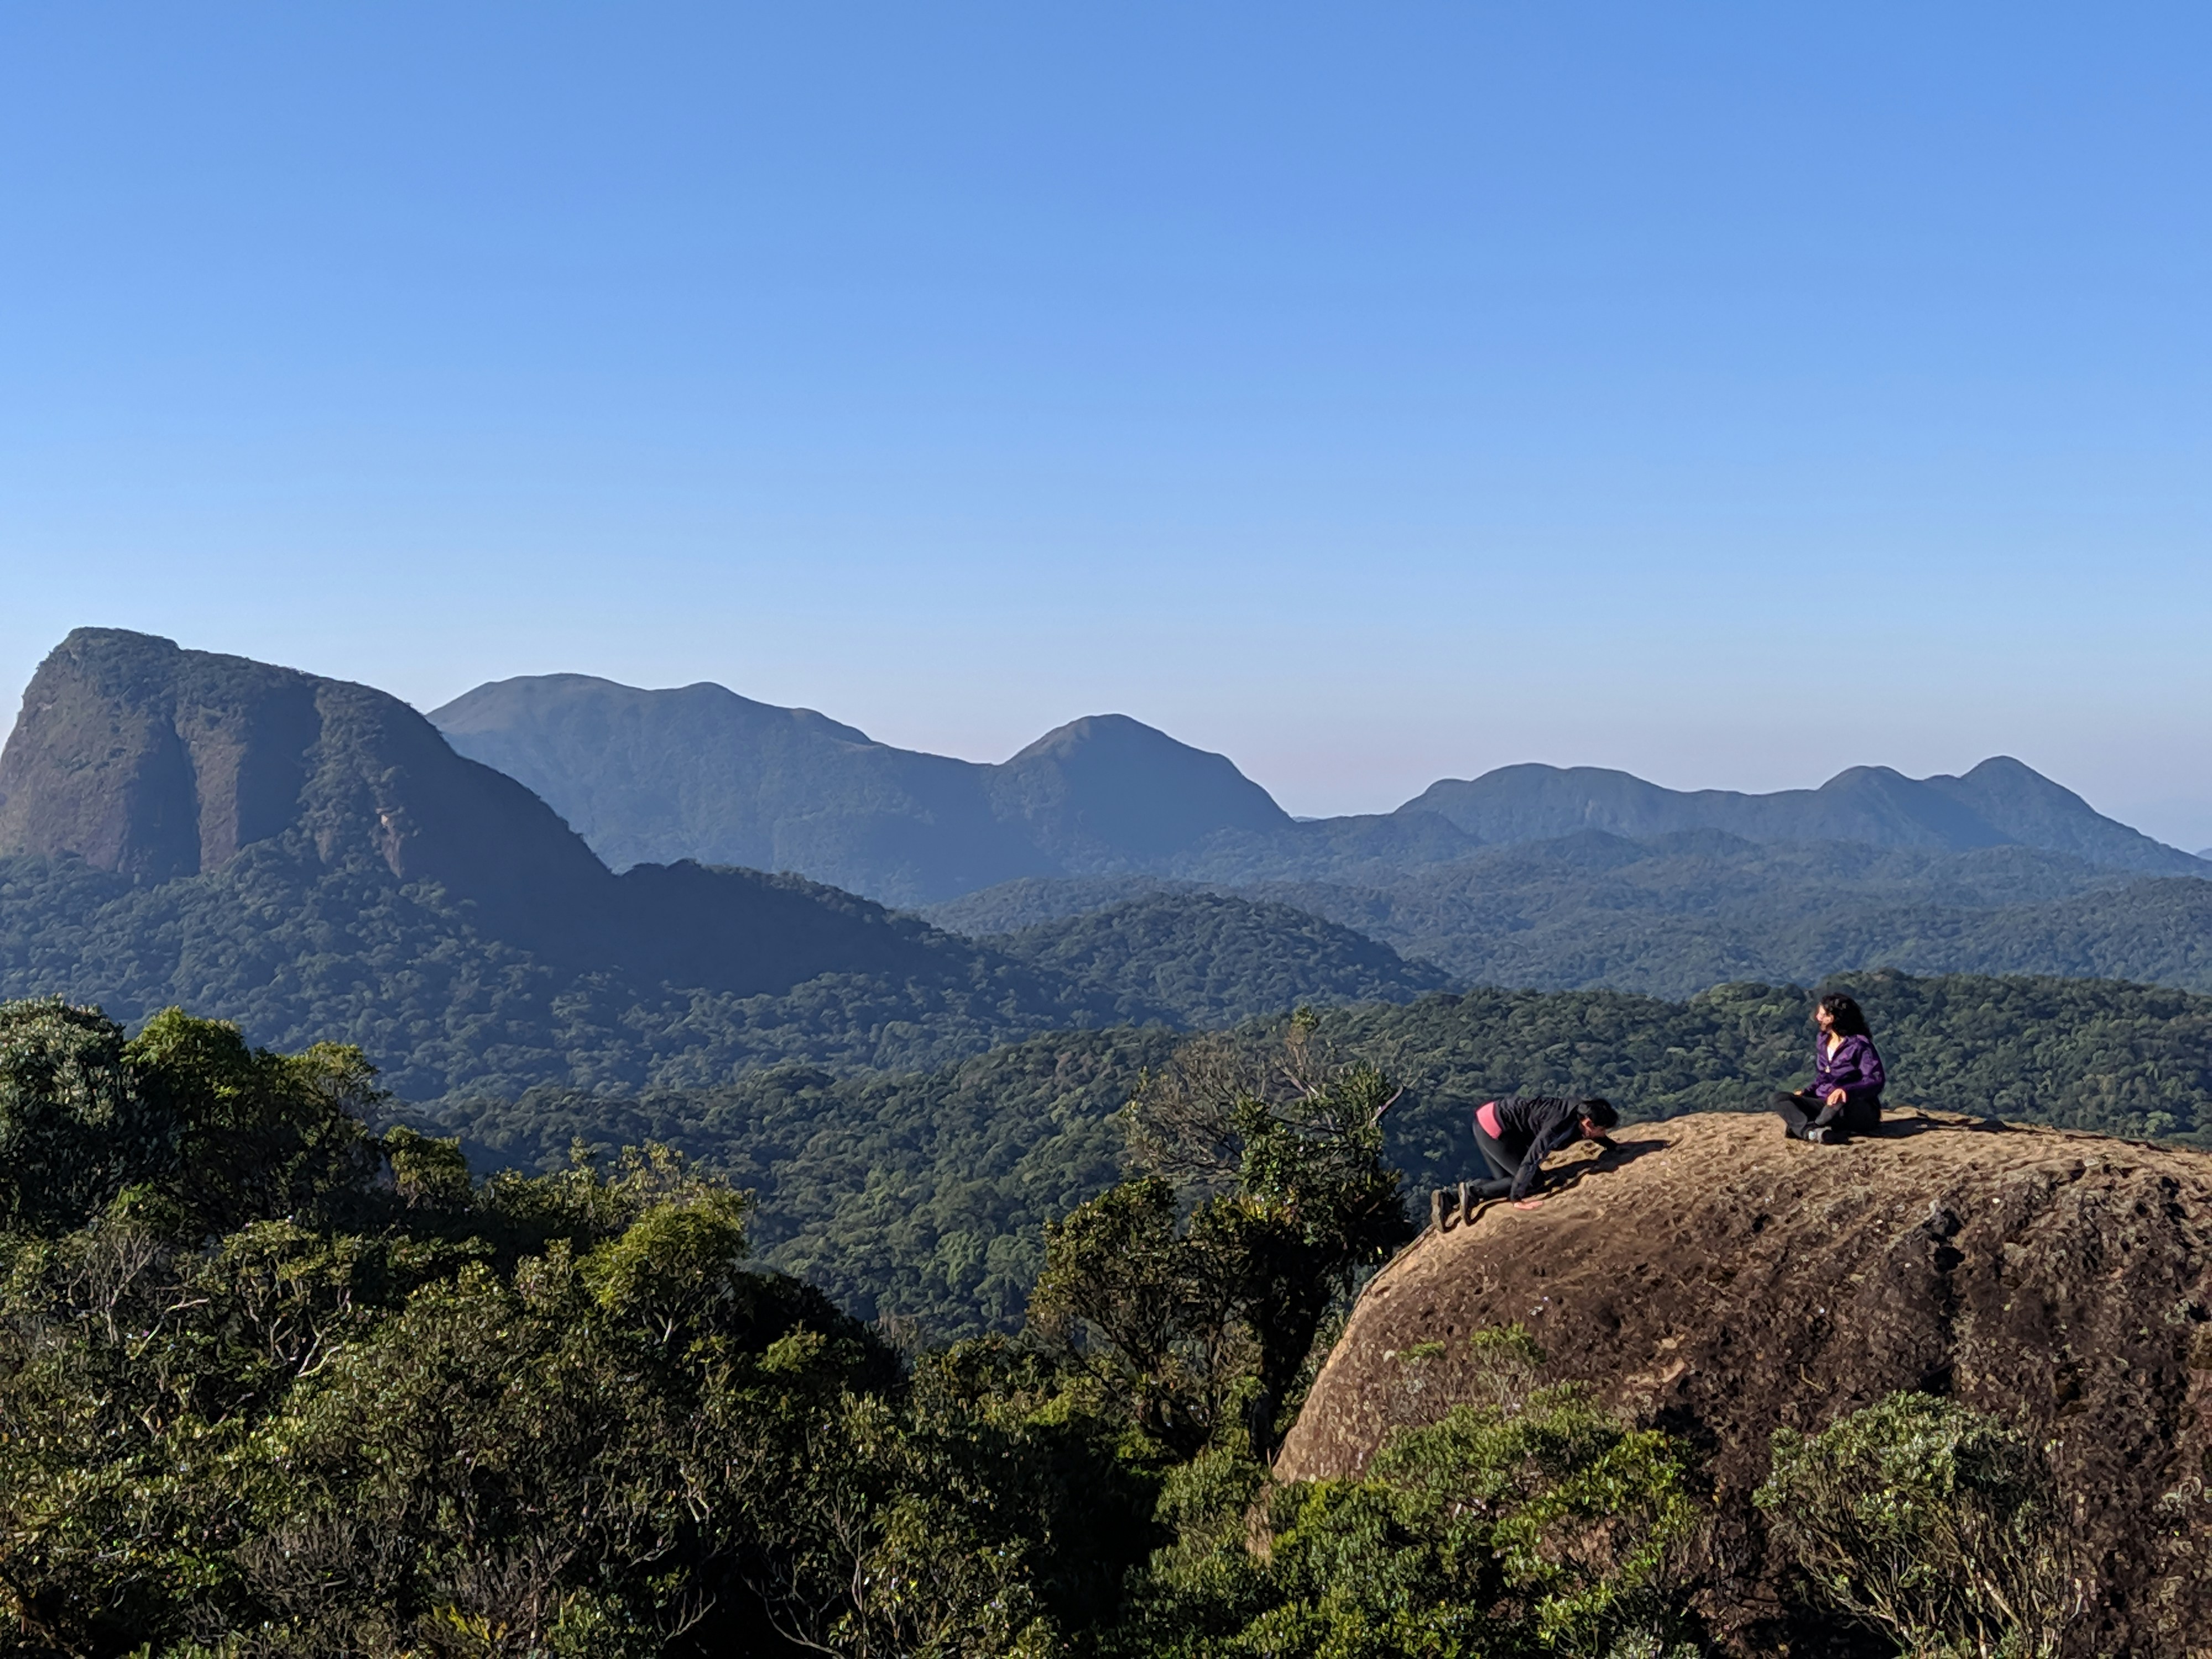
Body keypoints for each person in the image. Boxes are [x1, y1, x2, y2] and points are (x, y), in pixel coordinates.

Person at [1470, 1094, 1619, 1209]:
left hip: (1490, 1118)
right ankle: (1473, 1192)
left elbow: (1592, 1133)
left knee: (1504, 1182)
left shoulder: (1580, 1112)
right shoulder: (1557, 1126)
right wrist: (1516, 1200)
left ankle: (1452, 1198)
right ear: (1588, 1123)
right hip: (1496, 1128)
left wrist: (1613, 1146)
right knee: (1534, 1181)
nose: (1603, 1133)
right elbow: (1533, 1158)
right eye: (1602, 1130)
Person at [1773, 992, 1886, 1144]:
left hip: (1854, 1108)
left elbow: (1875, 1080)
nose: (1817, 1018)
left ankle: (1810, 1128)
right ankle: (1812, 1132)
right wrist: (1807, 1092)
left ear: (1832, 1018)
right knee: (1780, 1098)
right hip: (1825, 1102)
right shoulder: (1823, 1040)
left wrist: (1846, 1091)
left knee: (1838, 1103)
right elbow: (1823, 1077)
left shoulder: (1859, 1045)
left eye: (1821, 1014)